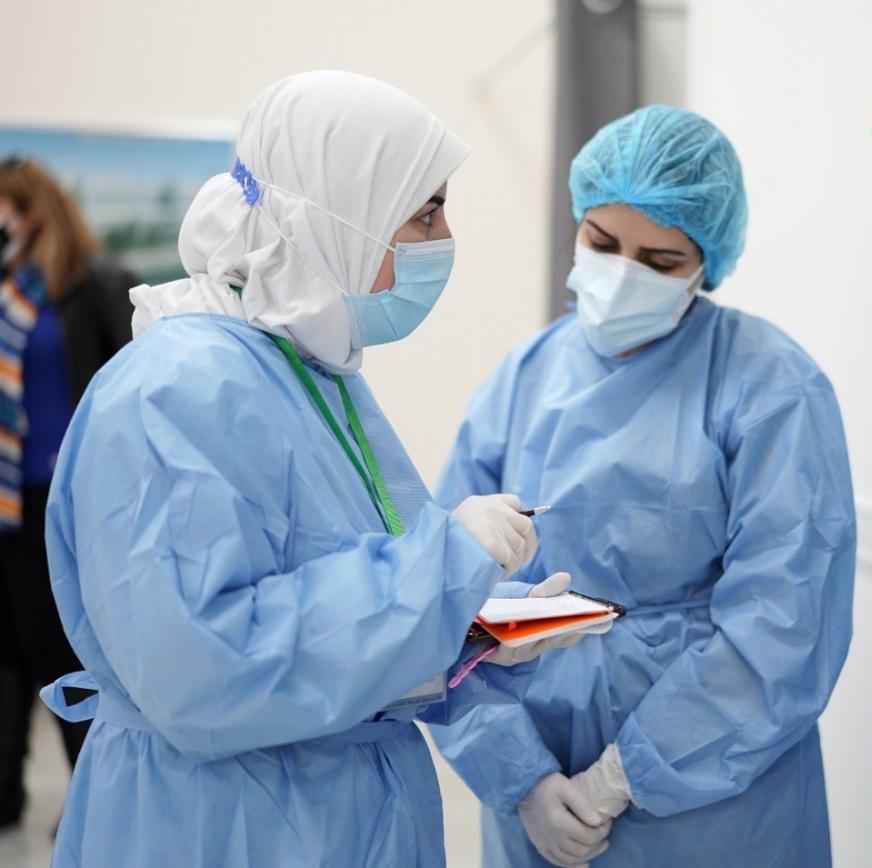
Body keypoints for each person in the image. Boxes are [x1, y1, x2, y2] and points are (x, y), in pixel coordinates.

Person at [37, 71, 583, 868]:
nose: (442, 239)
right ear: (336, 215)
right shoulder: (177, 391)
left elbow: (320, 597)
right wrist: (441, 572)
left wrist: (462, 627)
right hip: (223, 825)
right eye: (423, 212)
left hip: (321, 806)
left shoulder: (305, 371)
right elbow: (200, 667)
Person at [431, 105, 857, 867]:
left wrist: (626, 776)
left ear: (707, 263)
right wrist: (520, 777)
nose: (623, 273)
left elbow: (786, 625)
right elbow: (444, 603)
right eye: (601, 243)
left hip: (719, 805)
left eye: (659, 262)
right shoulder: (522, 379)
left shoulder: (770, 385)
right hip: (537, 792)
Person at [0, 157, 136, 828]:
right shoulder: (7, 290)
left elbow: (137, 384)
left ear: (37, 210)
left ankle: (96, 798)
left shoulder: (98, 284)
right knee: (11, 648)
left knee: (66, 651)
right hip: (8, 500)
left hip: (71, 497)